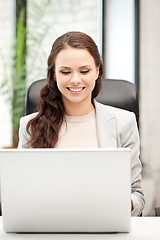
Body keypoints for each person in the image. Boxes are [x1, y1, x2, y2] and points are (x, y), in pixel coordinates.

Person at [18, 31, 145, 216]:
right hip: (47, 225)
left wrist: (125, 204)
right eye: (65, 71)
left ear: (98, 71)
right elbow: (21, 193)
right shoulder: (30, 126)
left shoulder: (124, 122)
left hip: (104, 224)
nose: (75, 79)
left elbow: (138, 195)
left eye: (84, 71)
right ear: (53, 74)